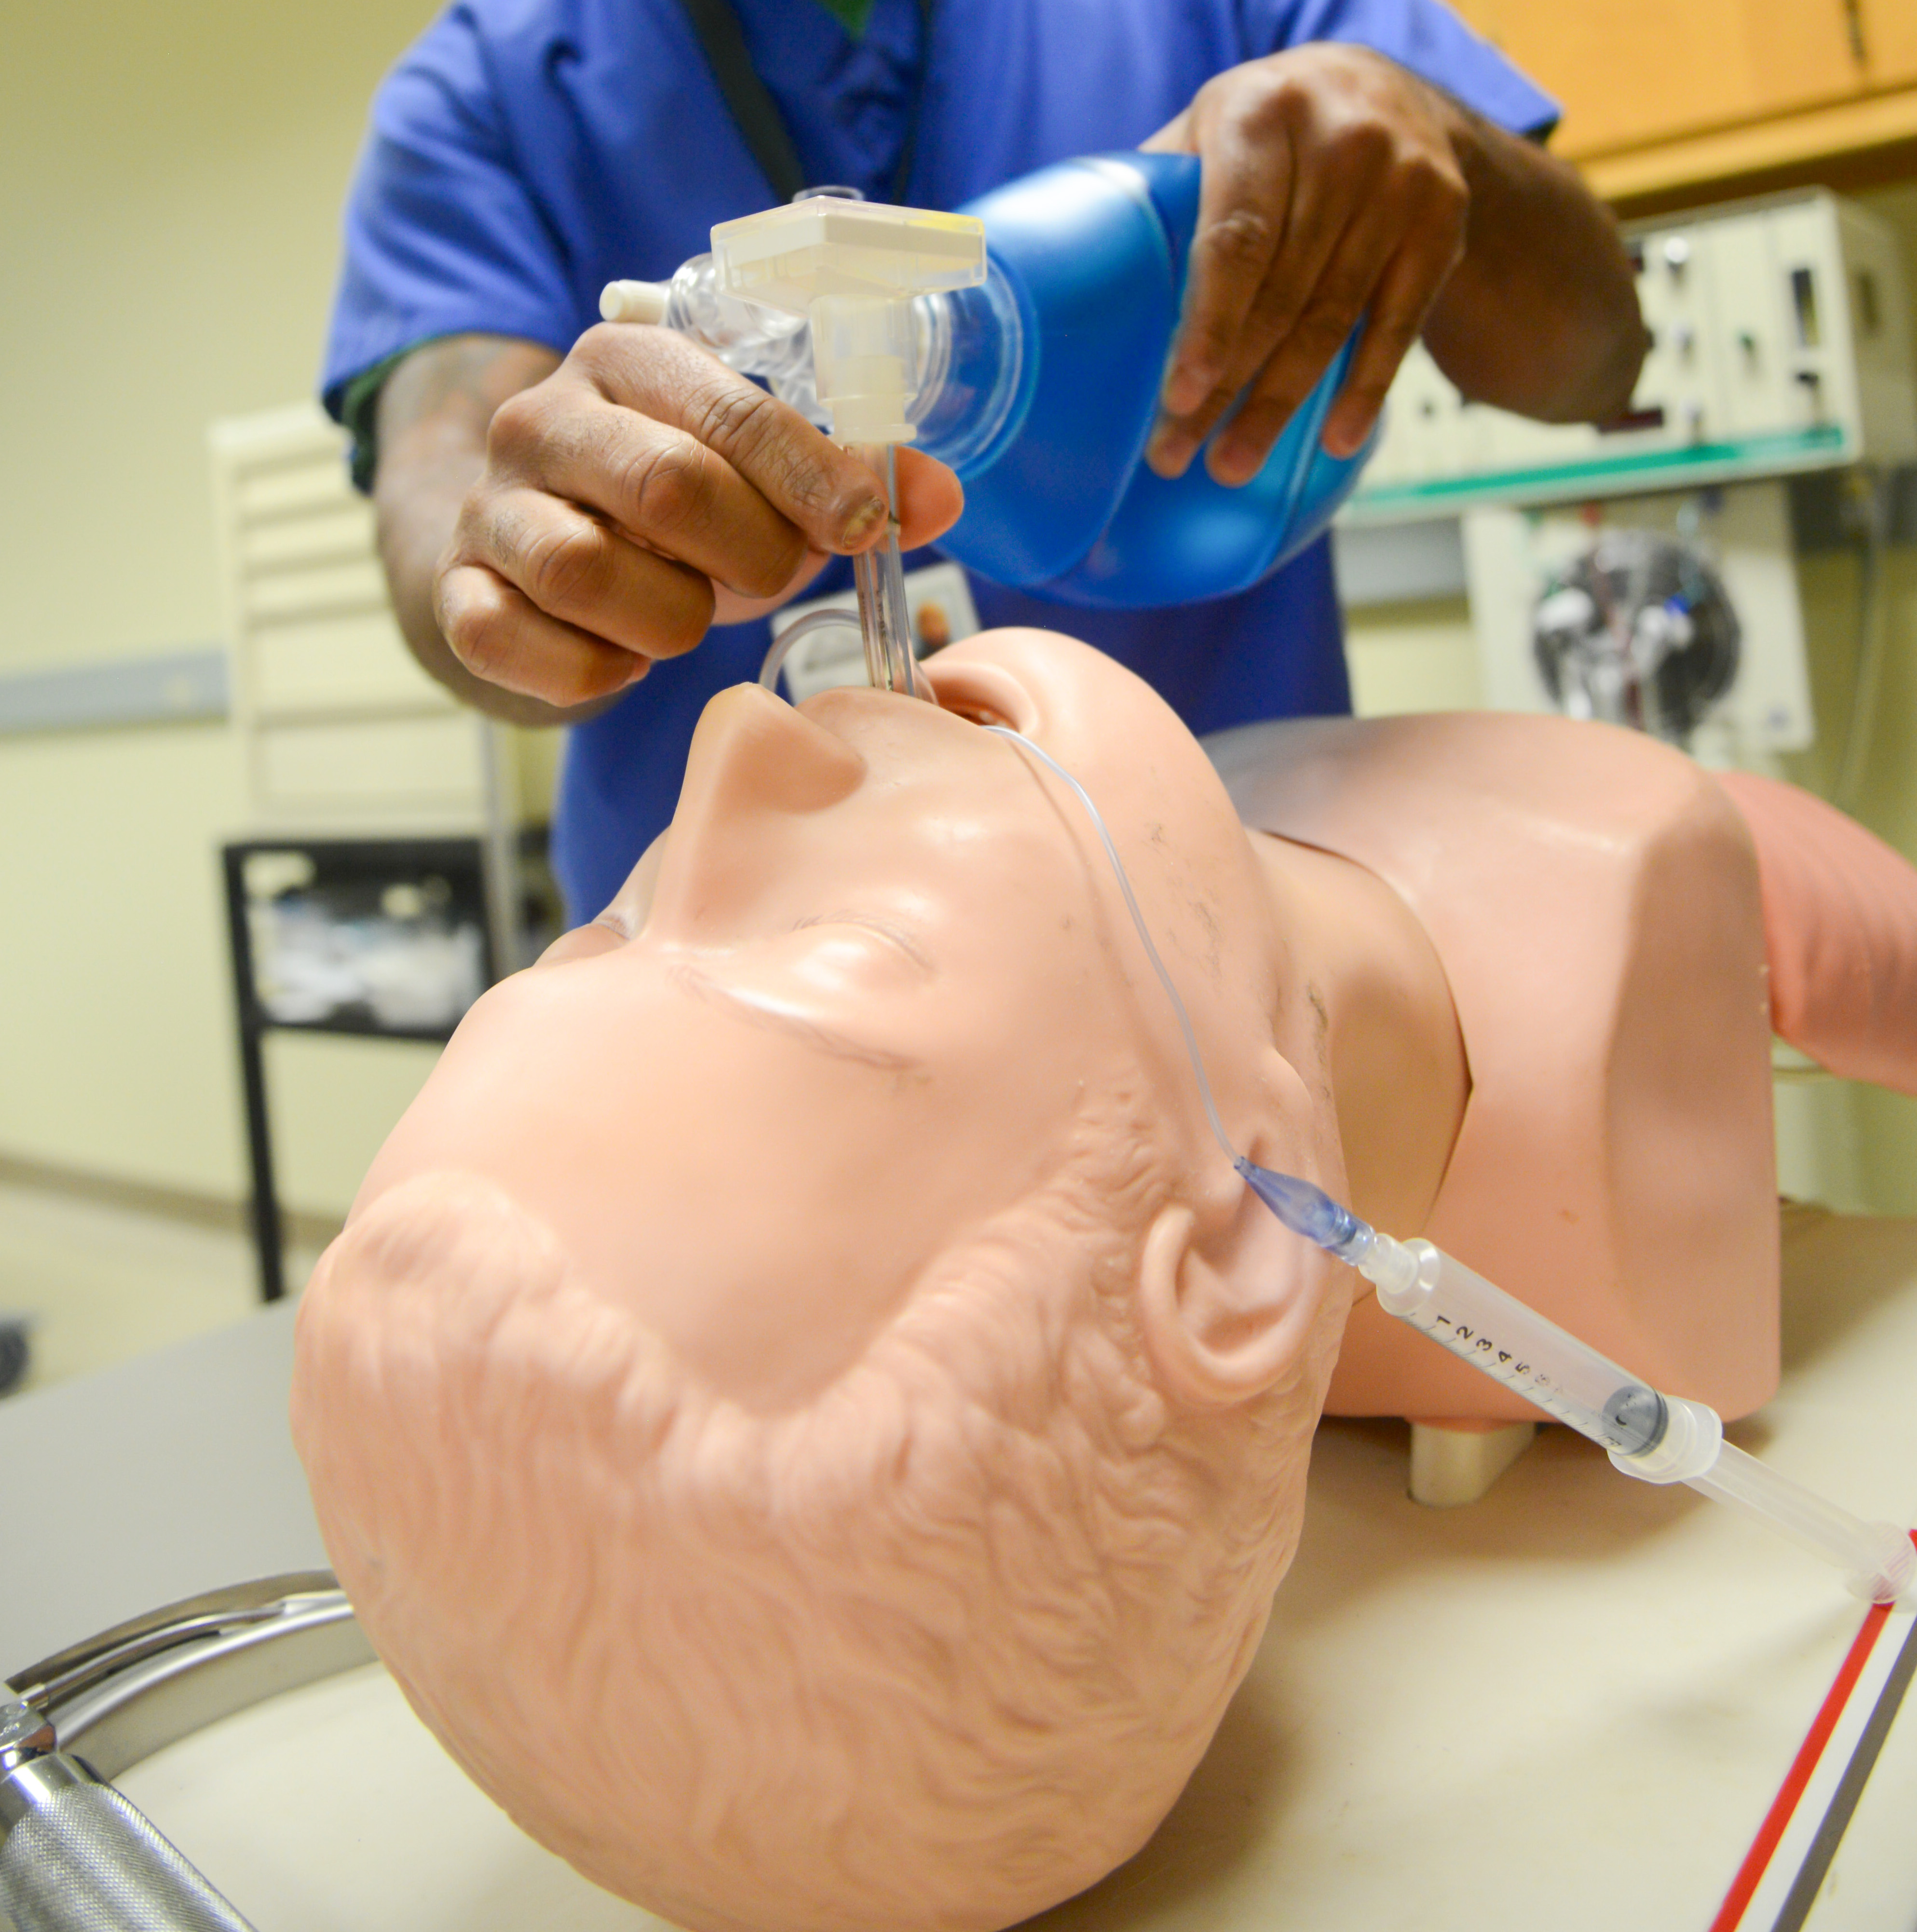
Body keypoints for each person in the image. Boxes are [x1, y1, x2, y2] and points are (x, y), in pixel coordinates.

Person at [292, 629, 1917, 1932]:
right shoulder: (1634, 941)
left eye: (615, 921)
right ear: (1239, 1254)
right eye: (848, 952)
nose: (734, 745)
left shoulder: (1178, 852)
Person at [323, 0, 1648, 920]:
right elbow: (446, 478)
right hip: (761, 982)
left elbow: (1596, 354)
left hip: (1238, 940)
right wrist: (532, 542)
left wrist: (1432, 132)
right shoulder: (486, 93)